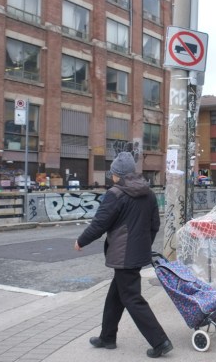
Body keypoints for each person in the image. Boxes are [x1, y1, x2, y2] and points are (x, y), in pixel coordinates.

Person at [74, 152, 172, 358]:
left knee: (132, 299)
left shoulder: (116, 194)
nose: (112, 177)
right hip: (136, 253)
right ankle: (107, 337)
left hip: (123, 255)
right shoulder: (149, 193)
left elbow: (100, 223)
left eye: (113, 174)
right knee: (115, 296)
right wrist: (143, 245)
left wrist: (81, 241)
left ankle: (160, 341)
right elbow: (154, 225)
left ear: (118, 174)